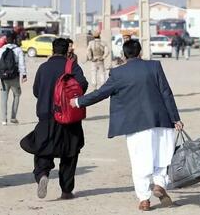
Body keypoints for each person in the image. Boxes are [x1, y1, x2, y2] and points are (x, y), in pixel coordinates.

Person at [70, 40, 184, 211]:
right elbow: (166, 92)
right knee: (161, 157)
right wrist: (176, 118)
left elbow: (100, 93)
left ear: (124, 55)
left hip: (135, 124)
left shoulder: (118, 73)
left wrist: (79, 101)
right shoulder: (154, 66)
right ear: (140, 52)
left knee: (140, 161)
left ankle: (144, 199)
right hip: (161, 120)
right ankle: (160, 184)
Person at [20, 38, 88, 200]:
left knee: (43, 149)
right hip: (69, 117)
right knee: (70, 153)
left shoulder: (43, 68)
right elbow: (83, 86)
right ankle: (66, 190)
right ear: (67, 51)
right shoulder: (72, 66)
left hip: (46, 117)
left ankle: (42, 174)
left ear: (52, 50)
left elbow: (37, 91)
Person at [0, 32, 27, 125]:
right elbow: (21, 64)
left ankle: (4, 120)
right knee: (17, 95)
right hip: (14, 77)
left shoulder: (0, 50)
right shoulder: (18, 50)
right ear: (14, 40)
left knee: (4, 98)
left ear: (6, 40)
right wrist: (24, 75)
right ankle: (13, 117)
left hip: (3, 78)